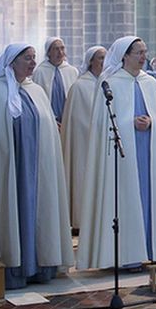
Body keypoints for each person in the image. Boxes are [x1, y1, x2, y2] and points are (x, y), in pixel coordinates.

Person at [0, 44, 74, 289]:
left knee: (39, 212)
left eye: (34, 58)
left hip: (37, 170)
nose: (32, 63)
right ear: (12, 62)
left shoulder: (36, 91)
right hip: (9, 169)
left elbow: (47, 128)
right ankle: (13, 268)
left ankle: (41, 266)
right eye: (27, 59)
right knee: (9, 210)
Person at [78, 36, 156, 270]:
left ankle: (155, 250)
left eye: (145, 52)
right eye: (139, 52)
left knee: (152, 197)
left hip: (149, 152)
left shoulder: (150, 83)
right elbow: (102, 125)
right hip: (122, 157)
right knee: (125, 200)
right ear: (125, 55)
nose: (144, 56)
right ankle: (128, 255)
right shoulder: (110, 83)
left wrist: (152, 122)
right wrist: (130, 123)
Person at [59, 45, 105, 231]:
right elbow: (76, 120)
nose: (104, 62)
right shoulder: (79, 86)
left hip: (104, 143)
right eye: (100, 58)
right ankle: (80, 220)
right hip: (84, 144)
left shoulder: (108, 83)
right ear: (91, 61)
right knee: (82, 178)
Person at [32, 37, 79, 126]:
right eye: (56, 49)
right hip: (48, 120)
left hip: (69, 119)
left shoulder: (72, 71)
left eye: (62, 48)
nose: (60, 52)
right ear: (48, 52)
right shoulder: (40, 72)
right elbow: (37, 100)